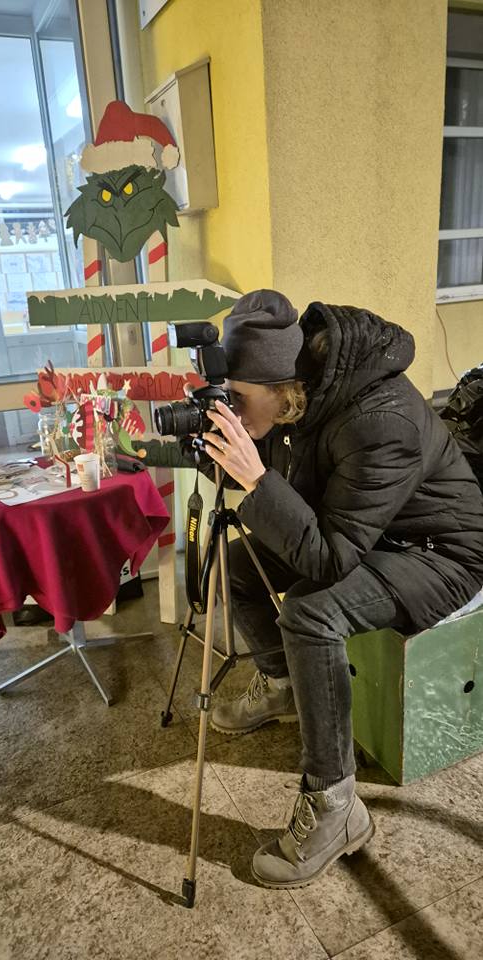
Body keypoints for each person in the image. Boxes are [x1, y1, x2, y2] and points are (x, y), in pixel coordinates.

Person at [139, 290, 483, 889]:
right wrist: (168, 447)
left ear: (283, 388)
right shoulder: (296, 401)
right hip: (368, 530)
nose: (232, 410)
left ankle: (336, 806)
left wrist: (255, 476)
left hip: (439, 550)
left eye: (237, 398)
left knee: (309, 613)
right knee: (237, 565)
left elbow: (328, 558)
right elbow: (284, 484)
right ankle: (281, 685)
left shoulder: (380, 420)